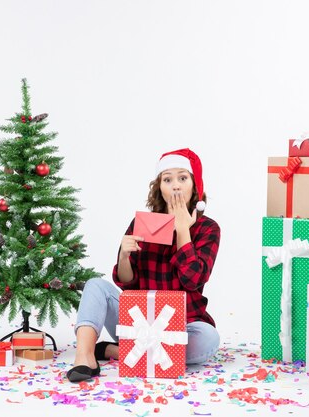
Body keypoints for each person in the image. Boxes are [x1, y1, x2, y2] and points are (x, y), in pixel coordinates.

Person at [66, 148, 221, 382]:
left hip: (182, 324)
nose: (176, 186)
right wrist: (124, 256)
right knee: (96, 285)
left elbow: (193, 280)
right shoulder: (144, 223)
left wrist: (182, 231)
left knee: (209, 338)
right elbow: (128, 283)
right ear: (159, 186)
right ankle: (85, 356)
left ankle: (117, 351)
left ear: (195, 185)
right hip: (138, 320)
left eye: (182, 178)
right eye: (167, 179)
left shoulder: (208, 228)